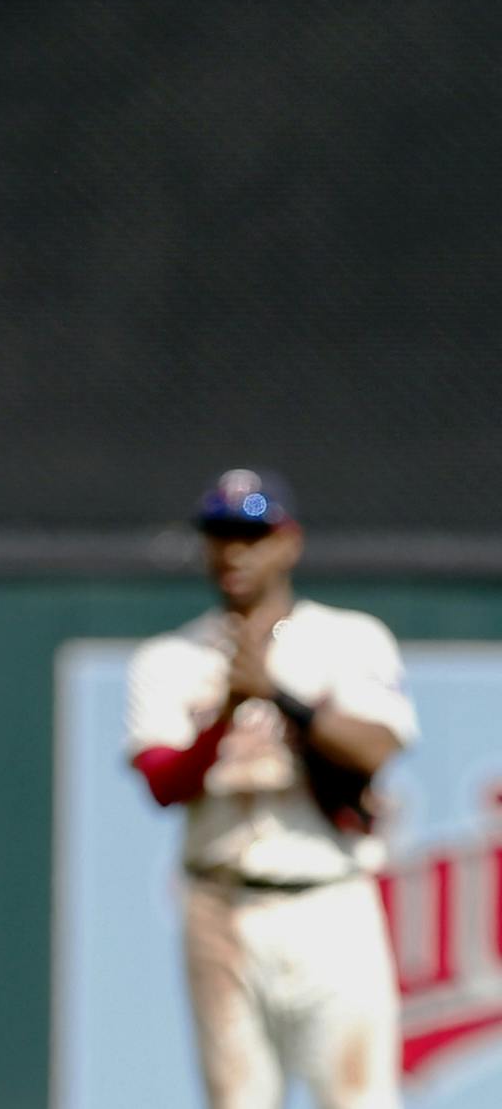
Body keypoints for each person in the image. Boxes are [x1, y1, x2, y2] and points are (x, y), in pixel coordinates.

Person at [126, 468, 418, 1109]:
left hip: (330, 901)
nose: (235, 551)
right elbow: (161, 783)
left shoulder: (346, 639)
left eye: (252, 534)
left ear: (289, 542)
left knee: (360, 1099)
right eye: (222, 535)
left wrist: (279, 697)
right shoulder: (170, 658)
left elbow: (376, 750)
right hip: (220, 903)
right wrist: (228, 711)